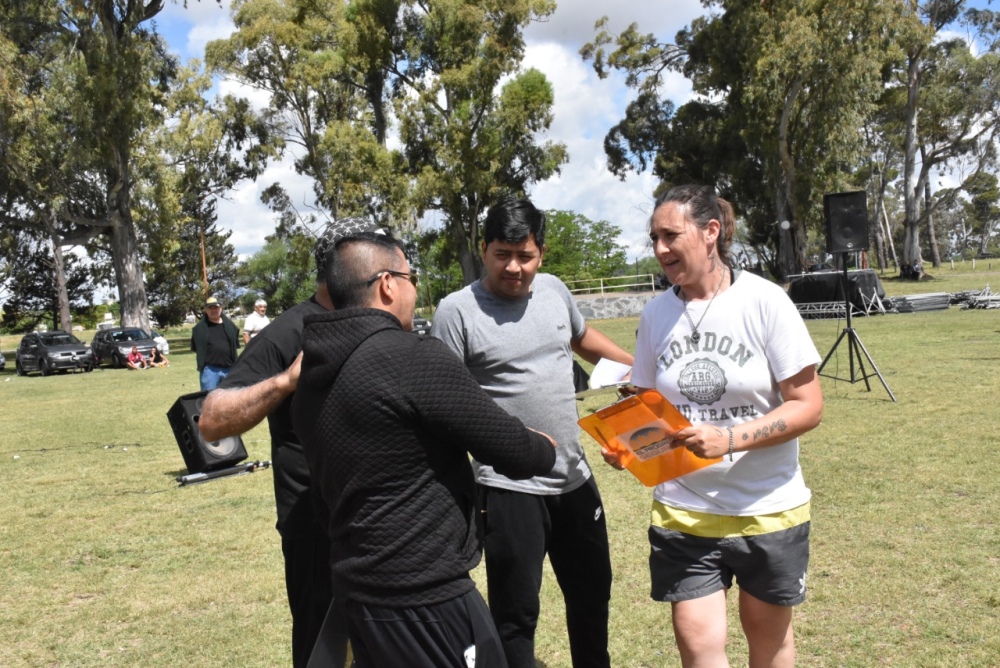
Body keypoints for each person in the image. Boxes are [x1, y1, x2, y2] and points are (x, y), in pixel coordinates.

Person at [291, 231, 558, 668]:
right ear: (388, 284)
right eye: (411, 277)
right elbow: (511, 449)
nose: (414, 289)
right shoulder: (410, 357)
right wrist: (544, 447)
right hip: (427, 595)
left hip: (356, 591)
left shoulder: (310, 379)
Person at [613, 184, 824, 668]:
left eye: (670, 235)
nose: (660, 249)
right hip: (684, 513)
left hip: (768, 510)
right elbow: (645, 406)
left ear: (711, 232)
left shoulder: (766, 302)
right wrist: (626, 443)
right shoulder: (656, 312)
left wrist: (728, 439)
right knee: (697, 648)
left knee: (769, 646)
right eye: (654, 238)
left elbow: (808, 405)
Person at [431, 197, 634, 668]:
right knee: (516, 616)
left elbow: (582, 339)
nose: (514, 267)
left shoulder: (555, 291)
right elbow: (444, 403)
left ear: (541, 252)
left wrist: (637, 367)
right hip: (508, 488)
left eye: (525, 256)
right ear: (484, 250)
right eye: (502, 254)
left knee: (591, 597)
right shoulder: (456, 312)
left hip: (575, 478)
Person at [198, 217, 387, 668]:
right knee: (321, 647)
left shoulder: (379, 320)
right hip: (315, 526)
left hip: (378, 520)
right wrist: (285, 381)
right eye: (379, 260)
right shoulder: (288, 331)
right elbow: (212, 420)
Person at [190, 296, 240, 391]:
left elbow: (235, 345)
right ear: (206, 310)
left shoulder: (231, 327)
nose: (213, 310)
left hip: (229, 369)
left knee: (231, 398)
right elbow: (197, 348)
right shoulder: (199, 329)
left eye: (216, 307)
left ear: (221, 308)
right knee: (208, 398)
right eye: (210, 308)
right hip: (210, 370)